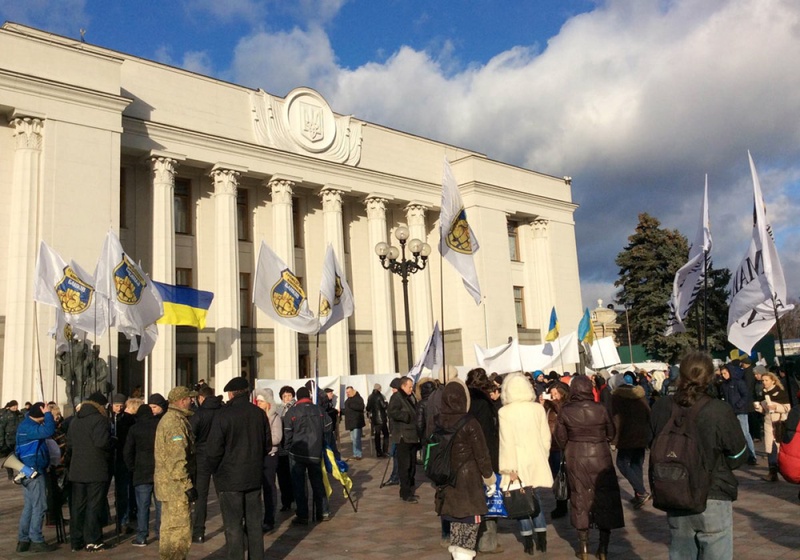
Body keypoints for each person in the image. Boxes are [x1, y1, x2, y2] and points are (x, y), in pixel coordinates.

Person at [650, 351, 748, 559]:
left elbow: (653, 444)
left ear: (680, 374)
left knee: (681, 550)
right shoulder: (719, 410)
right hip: (713, 492)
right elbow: (738, 454)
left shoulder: (661, 406)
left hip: (675, 489)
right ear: (711, 376)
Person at [555, 375, 624, 560]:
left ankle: (584, 547)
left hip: (575, 456)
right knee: (604, 499)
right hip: (600, 456)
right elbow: (611, 432)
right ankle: (603, 548)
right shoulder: (600, 408)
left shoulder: (566, 410)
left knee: (579, 498)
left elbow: (560, 438)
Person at [206, 377, 266, 560]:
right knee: (255, 525)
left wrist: (213, 469)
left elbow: (213, 449)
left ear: (231, 394)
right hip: (253, 476)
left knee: (233, 526)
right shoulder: (259, 413)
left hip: (229, 478)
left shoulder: (223, 415)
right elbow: (267, 443)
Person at [438, 379, 496, 560]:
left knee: (456, 525)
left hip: (447, 479)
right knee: (470, 526)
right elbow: (482, 454)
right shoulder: (470, 422)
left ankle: (457, 555)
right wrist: (489, 478)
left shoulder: (438, 421)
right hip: (469, 480)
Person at [498, 371, 552, 555]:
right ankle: (542, 536)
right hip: (536, 457)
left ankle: (528, 539)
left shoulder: (504, 412)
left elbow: (506, 443)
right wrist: (543, 455)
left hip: (517, 460)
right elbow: (546, 437)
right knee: (535, 498)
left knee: (520, 500)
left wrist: (509, 468)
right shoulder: (537, 408)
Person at [154, 386, 197, 560]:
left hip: (169, 486)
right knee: (179, 533)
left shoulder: (172, 419)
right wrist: (187, 485)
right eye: (189, 398)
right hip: (175, 488)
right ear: (181, 401)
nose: (191, 401)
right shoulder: (174, 423)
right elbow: (177, 458)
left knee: (170, 529)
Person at [67, 391, 112, 553]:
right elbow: (101, 443)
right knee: (94, 505)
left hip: (77, 469)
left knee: (78, 506)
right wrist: (111, 443)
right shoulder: (99, 420)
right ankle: (92, 539)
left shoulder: (75, 421)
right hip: (95, 468)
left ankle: (76, 540)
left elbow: (70, 445)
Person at [465, 368, 501, 554]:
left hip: (465, 456)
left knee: (471, 497)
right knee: (489, 496)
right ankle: (488, 540)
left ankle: (467, 538)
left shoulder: (464, 400)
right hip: (485, 453)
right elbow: (487, 432)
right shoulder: (483, 403)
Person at [283, 386, 331, 525]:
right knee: (317, 482)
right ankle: (323, 511)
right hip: (315, 451)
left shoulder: (292, 411)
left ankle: (303, 514)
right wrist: (324, 443)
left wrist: (287, 448)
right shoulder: (319, 410)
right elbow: (328, 428)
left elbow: (288, 433)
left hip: (297, 452)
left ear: (297, 397)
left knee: (299, 485)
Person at [15, 402, 56, 553]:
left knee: (30, 506)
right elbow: (48, 431)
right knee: (39, 506)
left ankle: (23, 539)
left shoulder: (25, 424)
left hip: (26, 469)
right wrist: (48, 414)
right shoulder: (30, 427)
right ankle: (36, 538)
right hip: (34, 470)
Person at [610, 372, 652, 508]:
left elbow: (616, 419)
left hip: (626, 435)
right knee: (636, 464)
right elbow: (648, 412)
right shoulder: (639, 394)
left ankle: (641, 491)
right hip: (641, 435)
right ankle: (639, 495)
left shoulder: (617, 397)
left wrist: (614, 440)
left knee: (622, 463)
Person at [124, 403, 161, 547]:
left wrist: (132, 467)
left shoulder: (134, 428)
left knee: (142, 506)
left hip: (141, 470)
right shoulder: (159, 425)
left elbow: (128, 451)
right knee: (159, 505)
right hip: (158, 469)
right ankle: (160, 533)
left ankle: (141, 536)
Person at [189, 384, 222, 543]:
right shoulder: (222, 411)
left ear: (201, 398)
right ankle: (232, 525)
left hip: (202, 456)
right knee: (223, 493)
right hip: (220, 455)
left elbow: (191, 435)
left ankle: (198, 531)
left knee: (201, 495)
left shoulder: (199, 413)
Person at [755, 372, 791, 482]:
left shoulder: (780, 392)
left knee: (780, 447)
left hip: (779, 422)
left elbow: (787, 408)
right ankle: (772, 472)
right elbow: (764, 410)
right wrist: (759, 408)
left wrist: (775, 407)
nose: (764, 383)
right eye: (763, 381)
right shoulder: (763, 393)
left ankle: (786, 470)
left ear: (773, 381)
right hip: (768, 423)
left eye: (766, 380)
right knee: (770, 448)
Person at [719, 363, 758, 465]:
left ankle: (752, 455)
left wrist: (739, 405)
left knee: (745, 433)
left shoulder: (738, 382)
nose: (723, 375)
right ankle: (740, 454)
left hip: (740, 411)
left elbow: (746, 395)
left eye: (725, 373)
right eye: (722, 373)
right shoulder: (724, 385)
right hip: (730, 412)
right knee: (734, 434)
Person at [388, 376, 419, 503]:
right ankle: (405, 492)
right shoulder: (396, 397)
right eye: (409, 387)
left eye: (412, 387)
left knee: (412, 464)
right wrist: (406, 416)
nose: (411, 389)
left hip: (412, 435)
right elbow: (392, 412)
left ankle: (409, 489)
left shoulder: (409, 397)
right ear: (403, 386)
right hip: (403, 436)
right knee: (404, 465)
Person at [255, 388, 282, 533]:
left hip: (270, 455)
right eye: (257, 401)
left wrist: (261, 441)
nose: (258, 403)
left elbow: (277, 438)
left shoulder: (274, 417)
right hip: (257, 455)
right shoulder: (256, 416)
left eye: (261, 401)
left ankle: (269, 519)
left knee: (269, 486)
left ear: (268, 403)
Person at [542, 380, 570, 519]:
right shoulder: (548, 407)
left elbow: (562, 414)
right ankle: (561, 503)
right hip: (551, 446)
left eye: (556, 393)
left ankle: (563, 504)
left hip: (563, 447)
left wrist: (552, 403)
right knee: (557, 478)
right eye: (551, 393)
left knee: (563, 477)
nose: (553, 396)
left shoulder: (565, 406)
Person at [110, 393, 135, 531]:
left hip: (122, 458)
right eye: (116, 405)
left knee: (123, 491)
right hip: (109, 458)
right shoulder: (107, 418)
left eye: (121, 406)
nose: (119, 408)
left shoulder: (128, 419)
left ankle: (123, 520)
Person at [276, 385, 296, 512]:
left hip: (293, 447)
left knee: (293, 475)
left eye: (289, 395)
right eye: (285, 396)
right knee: (282, 477)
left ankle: (295, 499)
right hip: (280, 448)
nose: (287, 398)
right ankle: (286, 501)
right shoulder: (278, 410)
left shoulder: (296, 409)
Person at [1, 400, 24, 480]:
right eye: (13, 406)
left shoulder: (20, 415)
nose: (15, 407)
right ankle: (10, 474)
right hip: (8, 441)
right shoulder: (5, 416)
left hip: (18, 439)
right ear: (10, 406)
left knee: (19, 456)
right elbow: (2, 429)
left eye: (16, 405)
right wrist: (1, 442)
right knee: (10, 458)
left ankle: (22, 473)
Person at [366, 384, 389, 457]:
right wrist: (386, 403)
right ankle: (385, 450)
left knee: (377, 435)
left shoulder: (370, 397)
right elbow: (384, 406)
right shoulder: (381, 396)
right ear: (379, 389)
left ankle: (378, 451)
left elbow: (368, 408)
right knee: (386, 434)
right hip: (381, 418)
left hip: (375, 419)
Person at [343, 386, 365, 460]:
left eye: (348, 392)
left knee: (356, 438)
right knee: (353, 439)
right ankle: (355, 453)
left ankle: (358, 454)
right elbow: (346, 409)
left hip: (356, 422)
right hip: (350, 422)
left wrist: (351, 405)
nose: (347, 393)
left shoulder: (358, 398)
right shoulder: (348, 400)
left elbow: (361, 407)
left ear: (352, 391)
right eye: (347, 392)